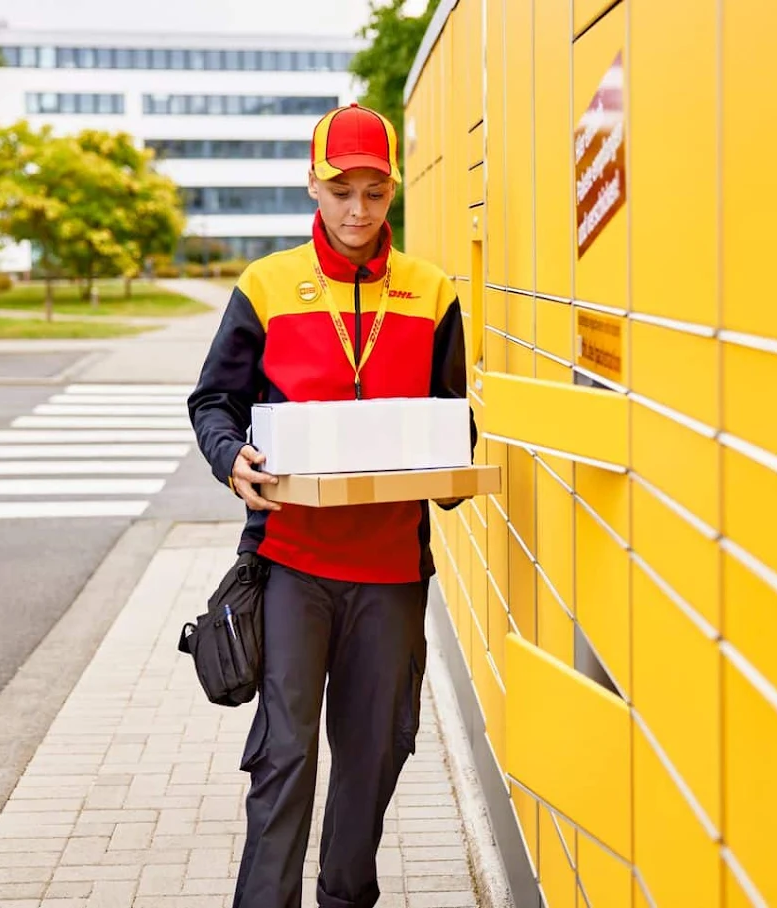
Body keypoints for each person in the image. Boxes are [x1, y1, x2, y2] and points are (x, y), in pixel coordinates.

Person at [187, 102, 476, 908]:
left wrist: (458, 468)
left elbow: (454, 417)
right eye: (341, 189)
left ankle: (347, 897)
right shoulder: (268, 285)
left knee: (374, 753)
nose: (357, 210)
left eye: (375, 192)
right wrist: (228, 456)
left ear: (394, 192)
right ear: (313, 185)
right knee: (285, 758)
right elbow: (214, 399)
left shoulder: (433, 292)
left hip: (389, 572)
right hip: (292, 565)